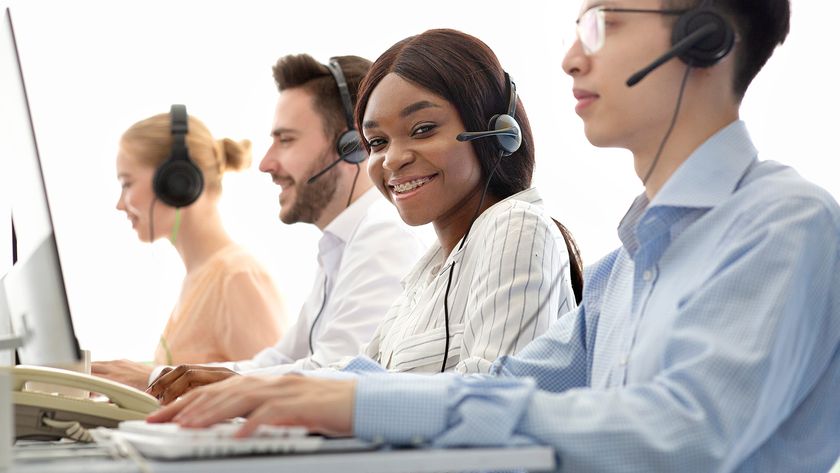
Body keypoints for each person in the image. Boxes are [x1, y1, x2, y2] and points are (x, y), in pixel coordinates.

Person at [150, 1, 840, 471]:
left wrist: (354, 401)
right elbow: (511, 382)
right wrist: (304, 394)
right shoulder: (625, 268)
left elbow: (682, 434)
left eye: (603, 25)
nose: (571, 58)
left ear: (705, 38)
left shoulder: (783, 224)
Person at [146, 30, 584, 404]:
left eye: (422, 129)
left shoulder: (515, 227)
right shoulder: (427, 275)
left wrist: (267, 393)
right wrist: (245, 386)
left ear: (496, 129)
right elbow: (356, 373)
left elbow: (492, 400)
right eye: (376, 142)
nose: (393, 159)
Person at [143, 54, 428, 402]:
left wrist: (159, 377)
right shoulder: (341, 246)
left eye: (286, 140)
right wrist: (165, 377)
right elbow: (280, 360)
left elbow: (336, 375)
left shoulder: (384, 236)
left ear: (352, 147)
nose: (265, 163)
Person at [92, 108, 288, 390]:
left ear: (176, 180)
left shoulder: (237, 277)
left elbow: (272, 396)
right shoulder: (200, 278)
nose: (120, 204)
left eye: (127, 183)